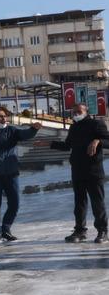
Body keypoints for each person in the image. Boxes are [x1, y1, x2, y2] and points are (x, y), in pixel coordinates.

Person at [38, 103, 109, 243]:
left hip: (94, 170)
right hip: (77, 169)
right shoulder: (74, 127)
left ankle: (103, 231)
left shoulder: (96, 124)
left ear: (86, 111)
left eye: (79, 111)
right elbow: (67, 146)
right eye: (73, 112)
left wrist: (97, 140)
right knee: (79, 203)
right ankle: (80, 231)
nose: (76, 114)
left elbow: (108, 140)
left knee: (97, 202)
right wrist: (49, 143)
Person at [0, 107, 41, 244]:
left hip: (11, 174)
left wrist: (34, 129)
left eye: (5, 116)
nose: (4, 119)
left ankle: (6, 228)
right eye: (0, 116)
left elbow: (25, 134)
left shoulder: (12, 131)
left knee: (15, 203)